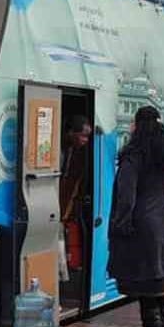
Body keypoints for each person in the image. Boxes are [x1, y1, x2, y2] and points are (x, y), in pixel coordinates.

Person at [108, 106, 164, 327]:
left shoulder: (133, 157)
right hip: (163, 224)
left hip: (141, 226)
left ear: (138, 126)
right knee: (160, 286)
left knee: (147, 287)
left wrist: (119, 224)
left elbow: (126, 196)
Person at [59, 115, 92, 272]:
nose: (86, 140)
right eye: (83, 135)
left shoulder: (79, 153)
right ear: (71, 133)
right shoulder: (60, 149)